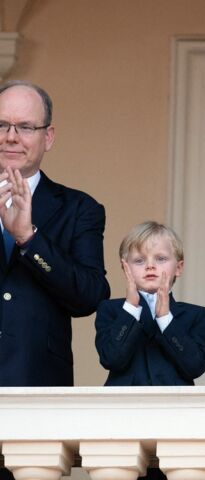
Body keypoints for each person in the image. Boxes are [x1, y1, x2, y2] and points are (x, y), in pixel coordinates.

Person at [0, 80, 110, 386]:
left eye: (25, 127)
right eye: (2, 125)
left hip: (37, 388)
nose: (10, 137)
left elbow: (90, 296)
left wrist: (29, 238)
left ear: (47, 137)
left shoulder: (79, 208)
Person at [95, 221, 205, 386]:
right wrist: (131, 308)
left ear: (178, 268)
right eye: (139, 260)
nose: (150, 266)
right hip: (124, 408)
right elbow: (111, 359)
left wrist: (165, 319)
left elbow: (195, 367)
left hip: (174, 408)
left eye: (161, 258)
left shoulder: (196, 315)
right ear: (125, 267)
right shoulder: (110, 310)